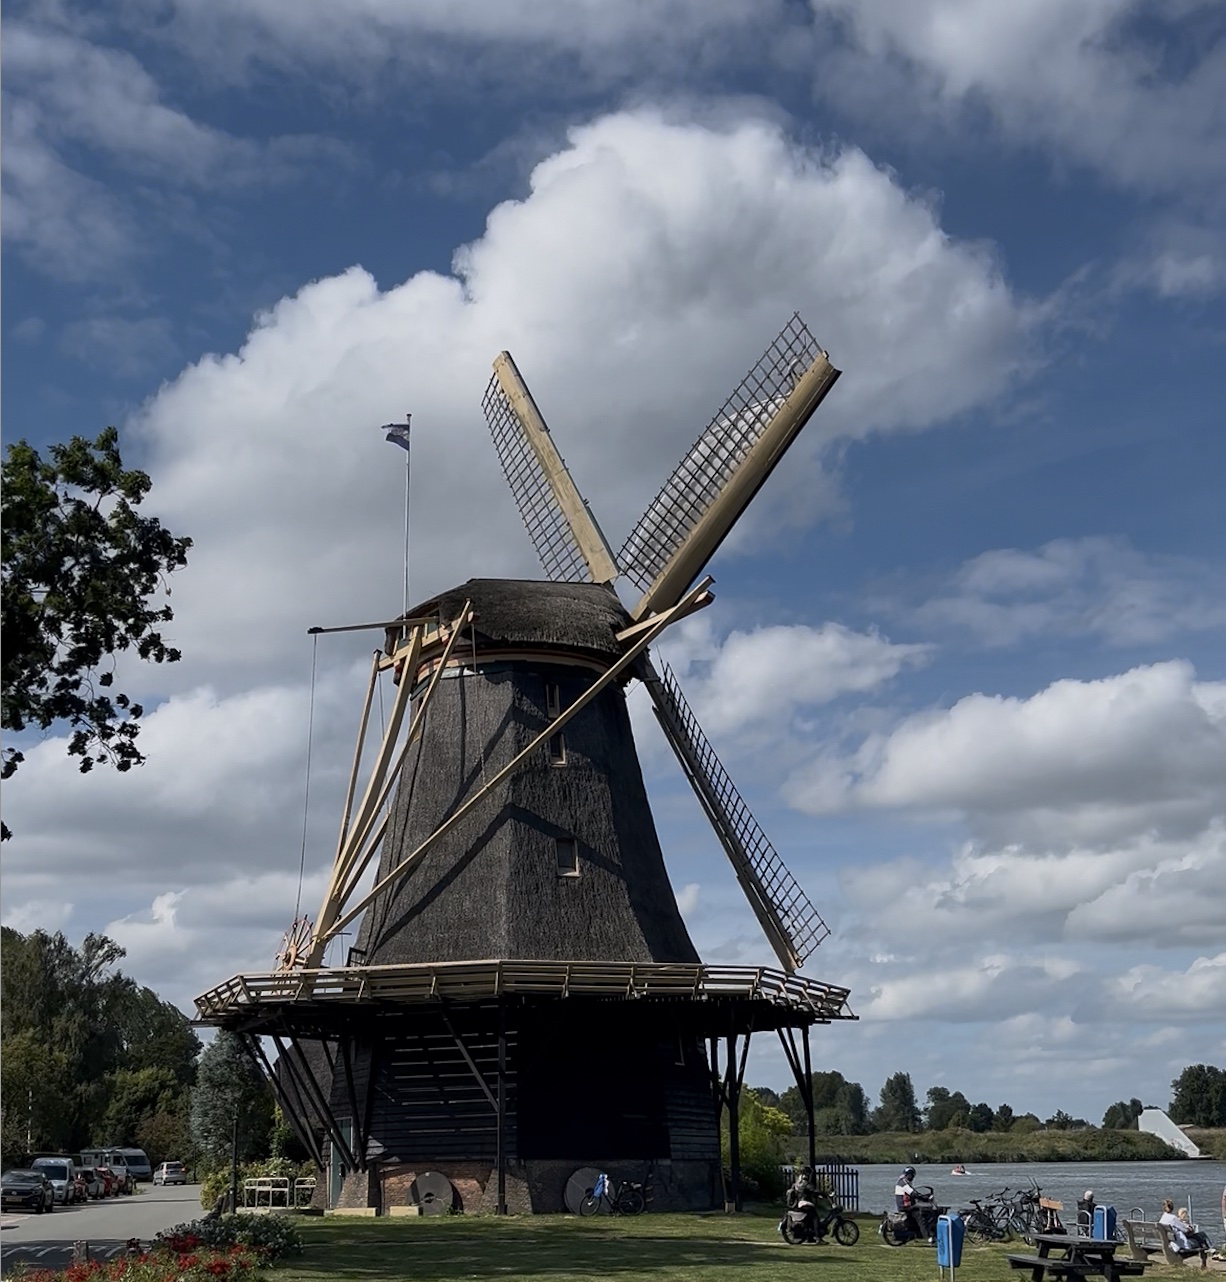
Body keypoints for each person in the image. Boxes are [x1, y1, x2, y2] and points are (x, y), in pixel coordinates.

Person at [1160, 1199, 1207, 1267]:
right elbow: (1185, 1230)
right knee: (1201, 1237)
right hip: (1179, 1244)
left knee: (1199, 1237)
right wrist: (1190, 1228)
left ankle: (1207, 1249)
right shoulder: (1173, 1218)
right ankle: (1205, 1259)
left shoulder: (1162, 1218)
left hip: (1169, 1242)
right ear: (1172, 1207)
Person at [895, 1166, 936, 1242]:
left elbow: (914, 1193)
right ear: (909, 1175)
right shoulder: (903, 1183)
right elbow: (913, 1193)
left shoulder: (903, 1181)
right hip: (905, 1206)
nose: (913, 1177)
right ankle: (928, 1237)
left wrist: (923, 1196)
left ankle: (917, 1233)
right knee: (920, 1217)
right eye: (912, 1175)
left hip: (906, 1205)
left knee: (919, 1209)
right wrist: (924, 1198)